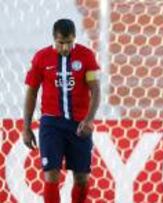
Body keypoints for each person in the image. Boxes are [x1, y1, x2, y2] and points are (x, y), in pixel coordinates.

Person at [22, 18, 100, 203]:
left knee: (82, 178)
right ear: (53, 39)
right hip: (51, 124)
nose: (65, 48)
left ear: (74, 38)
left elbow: (95, 90)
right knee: (51, 175)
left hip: (78, 124)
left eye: (69, 42)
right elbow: (31, 93)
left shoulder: (86, 56)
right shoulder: (41, 57)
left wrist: (89, 119)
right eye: (61, 43)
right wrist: (26, 127)